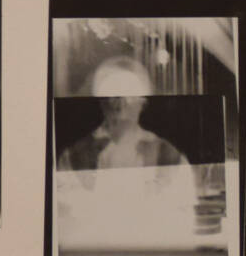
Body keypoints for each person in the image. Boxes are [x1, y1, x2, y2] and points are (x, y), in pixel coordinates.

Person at [55, 55, 188, 173]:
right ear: (101, 100)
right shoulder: (74, 156)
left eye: (129, 89)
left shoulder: (168, 155)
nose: (120, 99)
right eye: (111, 90)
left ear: (143, 101)